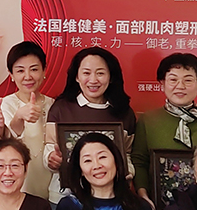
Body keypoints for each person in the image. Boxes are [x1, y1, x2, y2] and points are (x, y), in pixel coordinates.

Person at [132, 53, 197, 207]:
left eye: (188, 80)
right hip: (160, 207)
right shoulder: (148, 120)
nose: (180, 86)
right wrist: (143, 196)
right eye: (173, 80)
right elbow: (140, 162)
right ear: (162, 83)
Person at [45, 47, 137, 196]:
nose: (93, 80)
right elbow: (49, 148)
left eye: (100, 73)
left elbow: (126, 154)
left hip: (110, 196)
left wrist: (127, 172)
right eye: (86, 73)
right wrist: (51, 159)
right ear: (77, 77)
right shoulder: (60, 108)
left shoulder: (124, 113)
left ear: (111, 77)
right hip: (65, 195)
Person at [0, 41, 55, 200]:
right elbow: (2, 146)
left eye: (34, 69)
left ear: (44, 70)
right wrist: (18, 117)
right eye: (20, 70)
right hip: (15, 187)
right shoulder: (3, 105)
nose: (28, 76)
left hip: (51, 186)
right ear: (11, 74)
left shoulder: (54, 105)